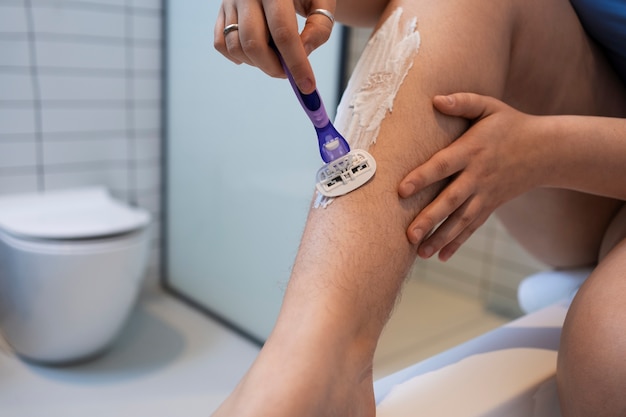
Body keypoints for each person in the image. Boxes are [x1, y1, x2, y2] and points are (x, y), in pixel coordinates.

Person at [212, 0, 626, 416]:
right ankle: (316, 356)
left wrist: (548, 148)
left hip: (580, 152)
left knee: (610, 359)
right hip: (592, 167)